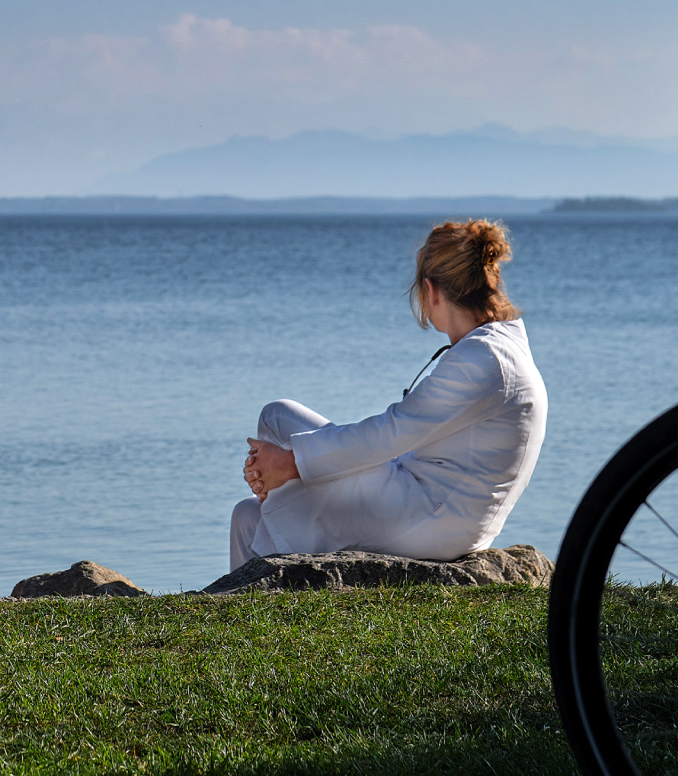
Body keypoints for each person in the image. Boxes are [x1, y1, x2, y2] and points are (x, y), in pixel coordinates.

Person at [229, 219, 547, 569]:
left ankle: (283, 543)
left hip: (429, 516)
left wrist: (290, 463)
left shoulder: (483, 359)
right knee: (249, 516)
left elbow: (392, 432)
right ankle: (264, 593)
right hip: (432, 505)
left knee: (276, 417)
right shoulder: (498, 348)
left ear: (432, 289)